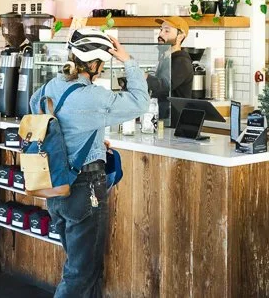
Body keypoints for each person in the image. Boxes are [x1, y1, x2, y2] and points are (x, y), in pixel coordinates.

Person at [29, 28, 149, 298]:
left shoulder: (50, 87)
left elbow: (44, 119)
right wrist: (127, 60)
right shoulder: (94, 97)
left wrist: (91, 140)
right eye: (103, 64)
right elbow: (141, 102)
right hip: (84, 189)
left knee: (82, 268)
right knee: (80, 274)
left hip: (55, 186)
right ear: (94, 64)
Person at [145, 16, 194, 121]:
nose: (161, 34)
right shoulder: (166, 59)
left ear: (180, 36)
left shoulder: (181, 62)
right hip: (164, 120)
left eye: (167, 31)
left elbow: (164, 86)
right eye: (161, 30)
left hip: (175, 124)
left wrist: (144, 77)